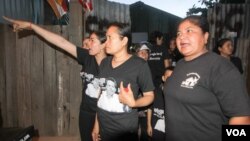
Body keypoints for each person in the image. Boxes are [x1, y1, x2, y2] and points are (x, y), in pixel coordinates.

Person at [3, 16, 107, 141]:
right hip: (85, 111)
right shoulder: (87, 57)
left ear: (103, 45)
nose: (87, 43)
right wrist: (32, 26)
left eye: (92, 40)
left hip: (104, 113)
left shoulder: (112, 64)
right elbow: (61, 42)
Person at [164, 15, 250, 141]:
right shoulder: (180, 64)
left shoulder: (221, 68)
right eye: (178, 33)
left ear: (205, 37)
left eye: (189, 30)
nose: (181, 36)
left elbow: (243, 119)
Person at [92, 22, 155, 141]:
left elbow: (150, 96)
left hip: (124, 131)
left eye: (110, 38)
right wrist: (96, 125)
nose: (106, 42)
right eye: (106, 38)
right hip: (104, 127)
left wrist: (134, 103)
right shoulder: (104, 63)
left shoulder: (139, 65)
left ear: (124, 41)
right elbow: (101, 96)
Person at [147, 66, 174, 141]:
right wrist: (149, 125)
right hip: (156, 127)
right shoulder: (155, 92)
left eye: (172, 77)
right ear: (163, 78)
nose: (170, 79)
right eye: (168, 77)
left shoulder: (179, 96)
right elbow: (150, 108)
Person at [134, 42, 151, 141]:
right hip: (133, 107)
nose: (145, 55)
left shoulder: (149, 68)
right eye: (142, 52)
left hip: (146, 109)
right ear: (136, 54)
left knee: (144, 133)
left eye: (146, 52)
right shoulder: (131, 68)